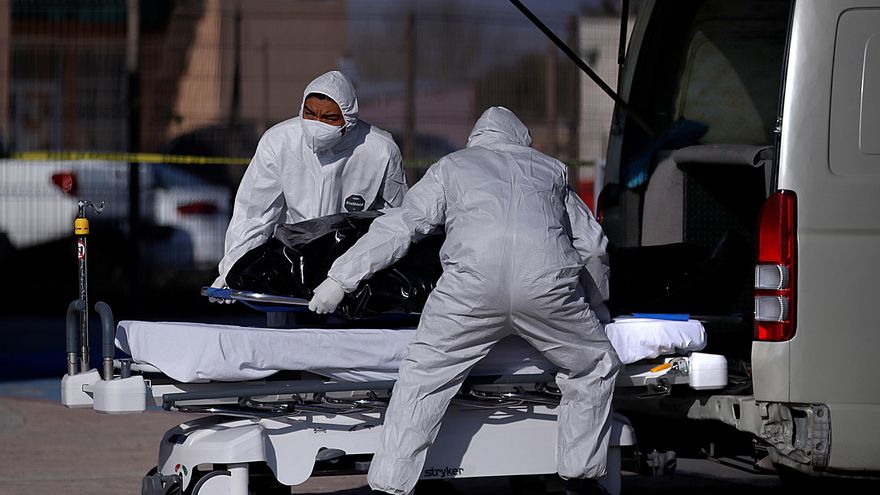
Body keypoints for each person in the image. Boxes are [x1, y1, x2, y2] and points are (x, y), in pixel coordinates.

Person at [308, 106, 620, 495]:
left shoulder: (452, 166)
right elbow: (593, 247)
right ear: (522, 139)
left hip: (470, 291)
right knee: (595, 365)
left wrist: (340, 279)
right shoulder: (551, 170)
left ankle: (390, 484)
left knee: (422, 379)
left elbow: (402, 225)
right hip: (546, 287)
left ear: (477, 139)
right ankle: (581, 477)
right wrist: (595, 304)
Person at [210, 70, 408, 305]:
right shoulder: (279, 142)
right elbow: (254, 214)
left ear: (350, 119)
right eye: (311, 113)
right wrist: (234, 269)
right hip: (290, 268)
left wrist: (346, 278)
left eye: (329, 118)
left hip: (354, 277)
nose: (317, 124)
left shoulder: (380, 151)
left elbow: (395, 224)